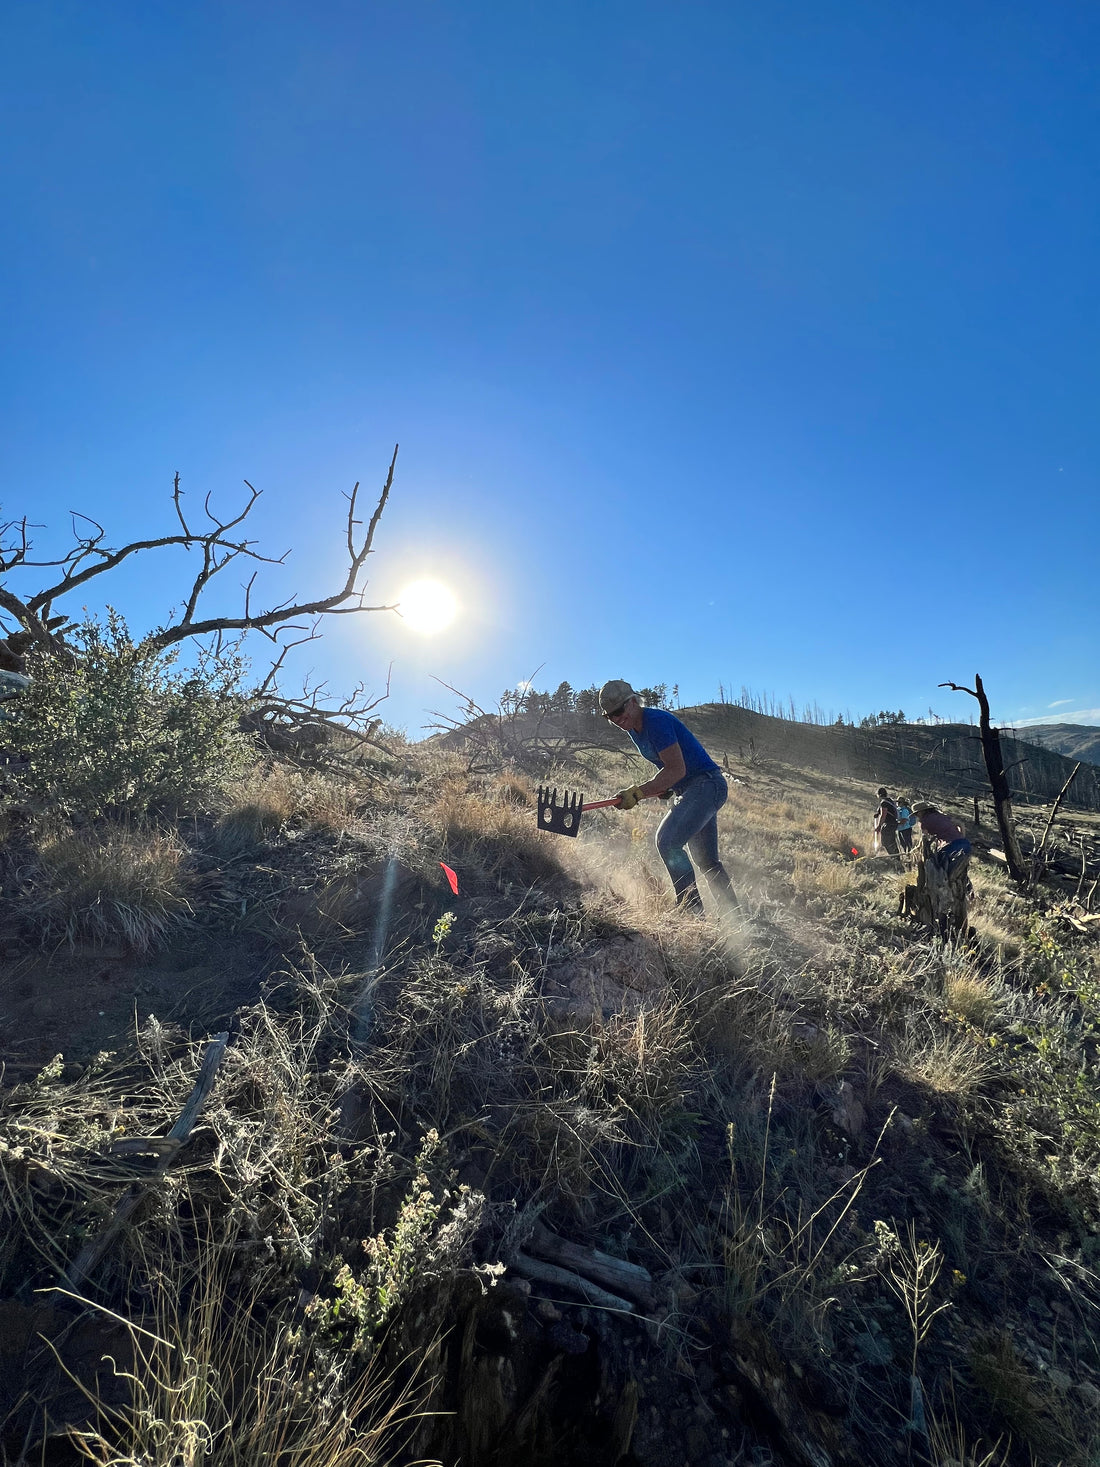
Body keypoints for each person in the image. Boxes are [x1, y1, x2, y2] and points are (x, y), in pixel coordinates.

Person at [598, 679, 739, 916]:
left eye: (619, 712)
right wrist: (661, 789)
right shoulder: (634, 728)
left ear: (632, 702)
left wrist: (640, 792)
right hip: (693, 789)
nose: (617, 719)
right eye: (610, 716)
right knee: (706, 861)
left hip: (706, 785)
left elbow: (676, 770)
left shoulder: (656, 722)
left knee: (667, 841)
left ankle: (691, 911)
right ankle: (735, 918)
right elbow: (671, 771)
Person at [912, 801, 971, 876]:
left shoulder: (924, 821)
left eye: (917, 813)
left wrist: (918, 848)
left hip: (950, 846)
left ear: (922, 811)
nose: (917, 816)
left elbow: (925, 838)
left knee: (940, 869)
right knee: (960, 872)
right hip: (965, 843)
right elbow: (960, 824)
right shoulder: (942, 816)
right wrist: (961, 838)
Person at [872, 787, 900, 856]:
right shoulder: (890, 801)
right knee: (892, 842)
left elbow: (883, 815)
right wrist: (878, 813)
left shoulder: (884, 803)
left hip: (888, 825)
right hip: (894, 824)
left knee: (886, 842)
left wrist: (879, 826)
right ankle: (896, 857)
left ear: (879, 795)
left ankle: (893, 857)